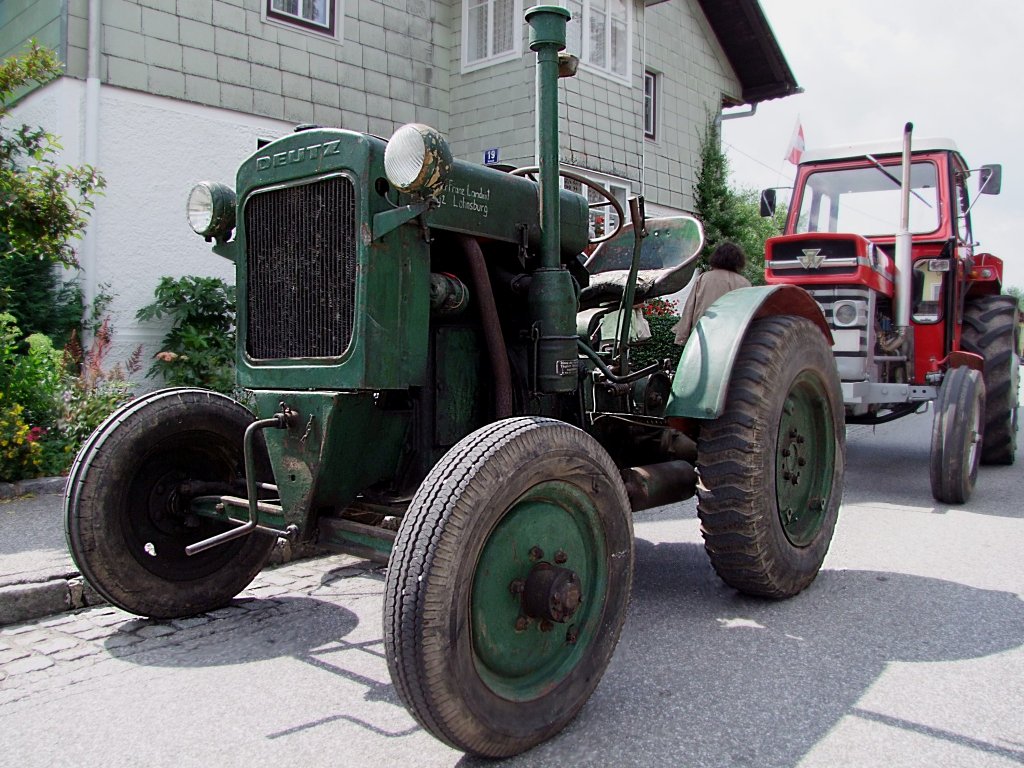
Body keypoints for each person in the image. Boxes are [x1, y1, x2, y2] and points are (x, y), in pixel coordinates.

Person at [672, 241, 751, 344]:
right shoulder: (744, 283)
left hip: (703, 334)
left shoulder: (704, 278)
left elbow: (690, 308)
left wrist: (682, 336)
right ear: (738, 260)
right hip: (732, 337)